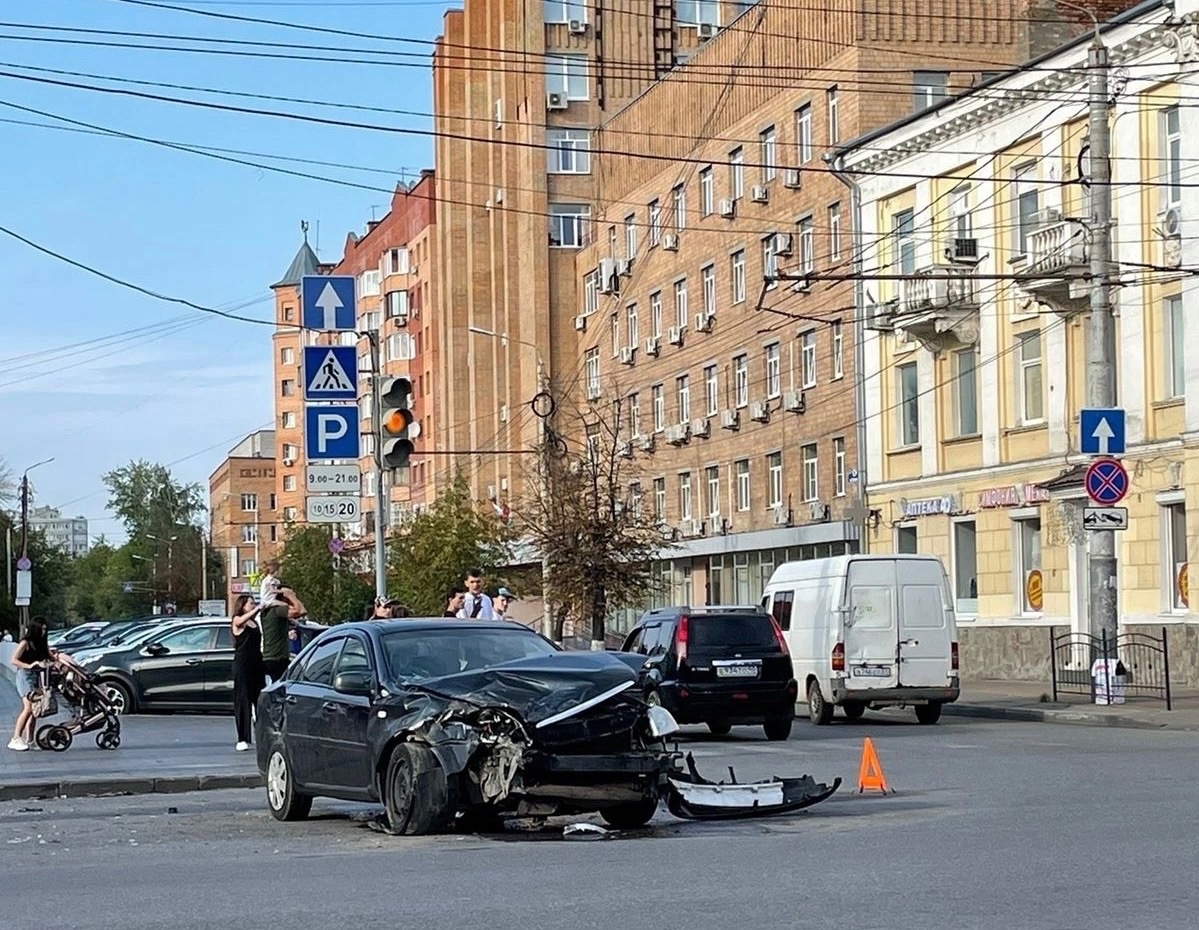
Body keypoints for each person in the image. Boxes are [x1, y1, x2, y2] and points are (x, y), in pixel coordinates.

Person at [7, 617, 74, 752]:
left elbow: (51, 657)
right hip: (25, 676)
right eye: (41, 629)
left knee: (35, 710)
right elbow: (13, 660)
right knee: (28, 708)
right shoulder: (26, 642)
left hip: (38, 677)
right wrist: (30, 665)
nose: (43, 632)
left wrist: (61, 660)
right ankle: (15, 738)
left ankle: (30, 740)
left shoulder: (42, 644)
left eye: (45, 629)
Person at [230, 594, 265, 752]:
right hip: (242, 665)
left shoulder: (254, 622)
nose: (253, 604)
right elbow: (239, 621)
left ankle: (261, 734)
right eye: (251, 603)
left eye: (254, 602)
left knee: (259, 699)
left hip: (256, 663)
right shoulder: (238, 620)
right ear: (243, 605)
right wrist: (257, 609)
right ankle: (242, 738)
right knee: (243, 699)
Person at [261, 583, 302, 683]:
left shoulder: (269, 610)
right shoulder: (278, 610)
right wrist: (292, 596)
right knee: (283, 687)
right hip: (277, 658)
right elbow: (301, 611)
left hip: (271, 657)